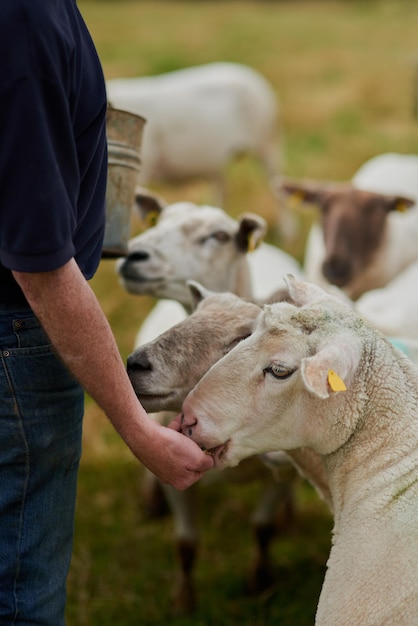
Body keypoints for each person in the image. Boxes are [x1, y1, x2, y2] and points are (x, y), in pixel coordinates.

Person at [0, 1, 214, 623]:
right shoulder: (24, 20)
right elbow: (39, 266)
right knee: (21, 591)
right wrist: (139, 429)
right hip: (17, 338)